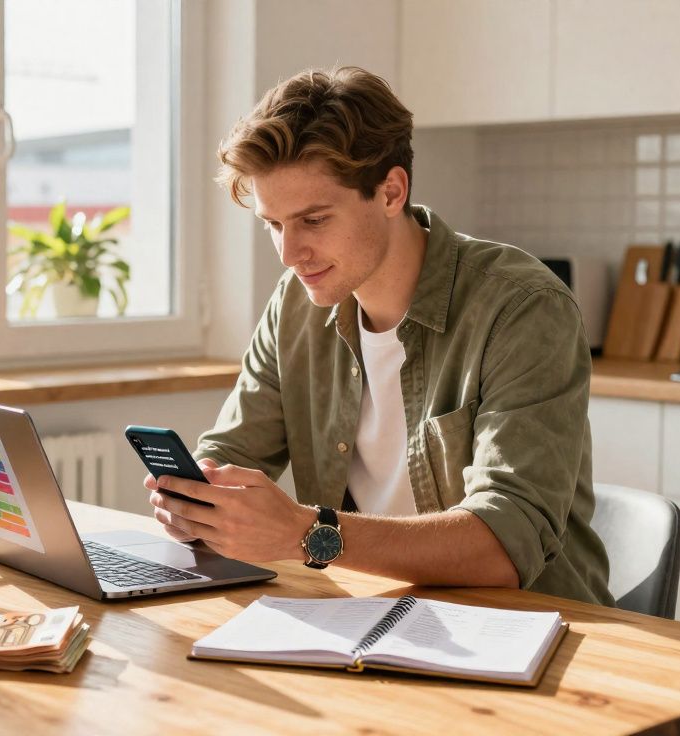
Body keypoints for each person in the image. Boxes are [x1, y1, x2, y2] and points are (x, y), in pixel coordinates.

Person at [146, 66, 612, 606]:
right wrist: (196, 503)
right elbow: (229, 450)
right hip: (367, 613)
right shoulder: (294, 305)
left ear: (391, 191)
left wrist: (307, 532)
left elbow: (506, 542)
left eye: (314, 220)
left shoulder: (522, 308)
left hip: (531, 629)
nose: (289, 254)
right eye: (274, 224)